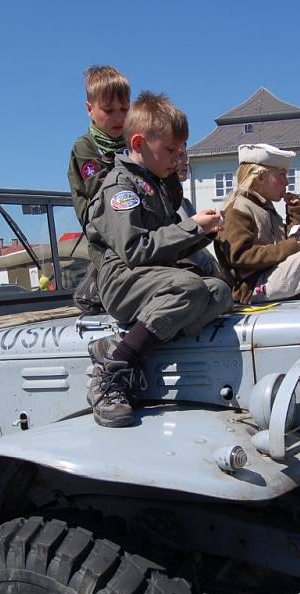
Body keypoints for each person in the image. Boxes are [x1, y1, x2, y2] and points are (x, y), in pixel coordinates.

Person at [84, 92, 232, 427]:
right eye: (170, 150)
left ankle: (126, 344)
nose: (177, 158)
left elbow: (163, 247)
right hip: (122, 280)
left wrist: (201, 233)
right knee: (189, 288)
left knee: (219, 293)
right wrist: (190, 228)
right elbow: (135, 250)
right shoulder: (121, 186)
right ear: (139, 142)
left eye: (180, 150)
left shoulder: (156, 185)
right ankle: (113, 370)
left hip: (151, 279)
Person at [214, 143, 300, 304]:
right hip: (253, 286)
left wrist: (295, 212)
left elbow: (291, 241)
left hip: (273, 275)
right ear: (260, 177)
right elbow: (241, 256)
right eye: (281, 175)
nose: (286, 182)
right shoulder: (238, 209)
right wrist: (293, 246)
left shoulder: (264, 207)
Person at [67, 65, 130, 228]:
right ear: (90, 109)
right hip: (106, 242)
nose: (118, 117)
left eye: (124, 109)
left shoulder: (134, 143)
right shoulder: (85, 147)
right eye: (108, 110)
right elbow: (104, 193)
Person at [174, 143, 223, 279]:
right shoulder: (166, 203)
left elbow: (198, 247)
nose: (186, 162)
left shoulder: (185, 203)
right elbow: (184, 249)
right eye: (180, 156)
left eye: (187, 156)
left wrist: (213, 266)